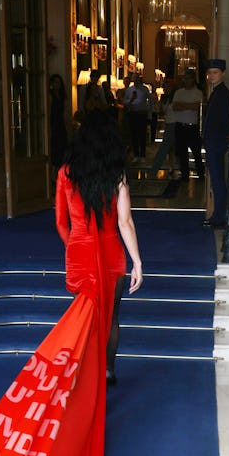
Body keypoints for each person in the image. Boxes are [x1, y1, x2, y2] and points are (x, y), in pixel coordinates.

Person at [54, 108, 143, 387]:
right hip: (111, 252)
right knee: (111, 317)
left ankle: (83, 372)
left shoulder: (65, 173)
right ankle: (107, 371)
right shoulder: (117, 174)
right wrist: (137, 262)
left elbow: (60, 222)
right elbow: (125, 222)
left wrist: (75, 246)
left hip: (79, 253)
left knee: (83, 318)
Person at [201, 58, 229, 228]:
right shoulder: (217, 92)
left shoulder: (223, 93)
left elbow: (225, 122)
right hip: (214, 142)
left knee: (218, 181)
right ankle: (218, 216)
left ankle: (219, 217)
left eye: (215, 73)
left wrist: (219, 142)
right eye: (210, 73)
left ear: (223, 74)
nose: (212, 76)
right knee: (216, 180)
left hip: (217, 143)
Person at [172, 69, 204, 181]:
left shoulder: (198, 93)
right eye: (185, 78)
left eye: (188, 78)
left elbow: (196, 106)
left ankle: (200, 174)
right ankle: (185, 174)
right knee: (182, 152)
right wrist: (188, 106)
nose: (186, 80)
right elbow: (175, 106)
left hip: (192, 127)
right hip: (180, 126)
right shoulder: (178, 92)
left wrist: (183, 105)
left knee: (196, 152)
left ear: (193, 79)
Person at [149, 79, 177, 176]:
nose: (165, 89)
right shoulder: (165, 98)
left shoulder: (176, 96)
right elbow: (162, 111)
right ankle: (171, 167)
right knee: (170, 148)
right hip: (168, 123)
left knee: (165, 147)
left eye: (166, 87)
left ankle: (154, 170)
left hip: (175, 124)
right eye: (164, 87)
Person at [123, 74, 152, 162]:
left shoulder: (144, 89)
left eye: (136, 79)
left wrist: (149, 111)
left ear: (139, 79)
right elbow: (125, 102)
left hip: (142, 113)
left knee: (142, 135)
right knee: (134, 135)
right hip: (133, 113)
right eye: (134, 79)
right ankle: (136, 154)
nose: (135, 80)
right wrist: (131, 100)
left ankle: (142, 155)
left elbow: (150, 101)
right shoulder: (129, 90)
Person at [48, 73, 68, 176]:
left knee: (62, 148)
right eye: (55, 82)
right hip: (54, 124)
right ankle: (53, 174)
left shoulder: (61, 97)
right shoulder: (50, 97)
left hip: (60, 124)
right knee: (55, 149)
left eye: (59, 82)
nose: (57, 84)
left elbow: (63, 113)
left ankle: (59, 174)